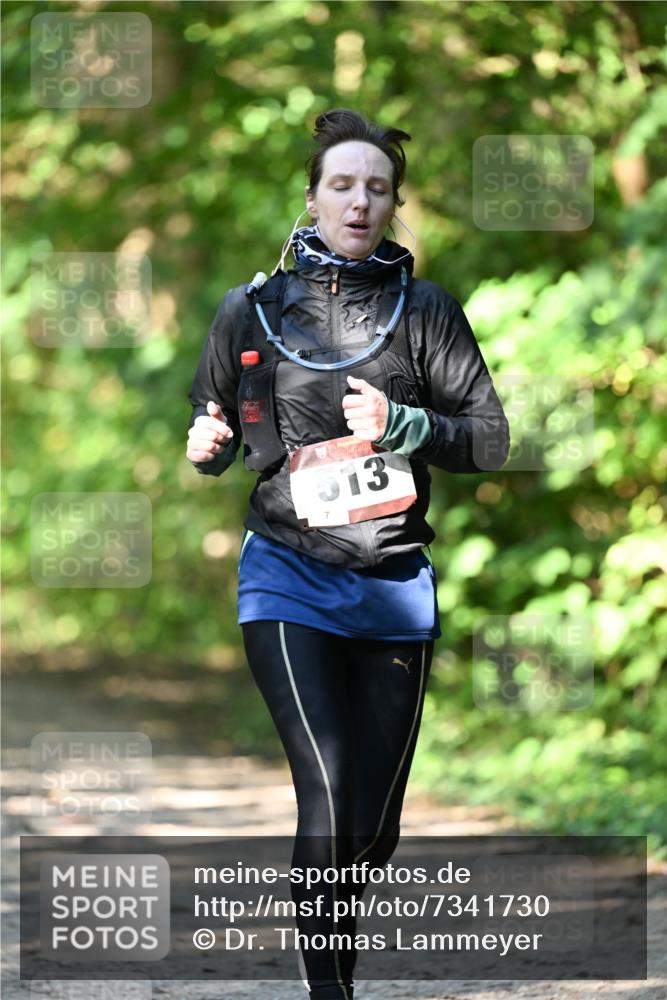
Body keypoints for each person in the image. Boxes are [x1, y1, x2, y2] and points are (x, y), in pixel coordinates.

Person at [185, 108, 510, 1000]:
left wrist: (405, 423)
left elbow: (489, 440)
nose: (358, 201)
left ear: (394, 203)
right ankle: (331, 991)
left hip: (393, 583)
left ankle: (333, 937)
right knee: (327, 791)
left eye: (376, 187)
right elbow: (215, 422)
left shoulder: (426, 312)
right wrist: (207, 445)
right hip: (285, 572)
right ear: (312, 199)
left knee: (372, 828)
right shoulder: (250, 309)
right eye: (342, 185)